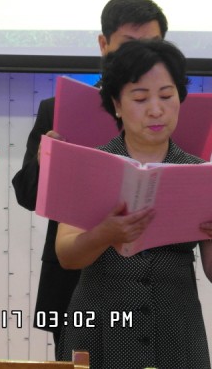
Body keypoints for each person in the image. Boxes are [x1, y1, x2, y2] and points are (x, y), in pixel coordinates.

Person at [11, 0, 168, 350]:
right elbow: (27, 196)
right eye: (129, 45)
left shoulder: (170, 114)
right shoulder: (59, 108)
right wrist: (47, 161)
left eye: (152, 45)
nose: (141, 56)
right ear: (103, 44)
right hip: (73, 275)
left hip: (154, 275)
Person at [55, 39, 212, 368]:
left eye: (166, 96)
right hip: (102, 323)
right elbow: (66, 255)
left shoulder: (200, 172)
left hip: (176, 327)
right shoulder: (90, 165)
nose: (156, 110)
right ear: (117, 104)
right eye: (140, 98)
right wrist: (105, 234)